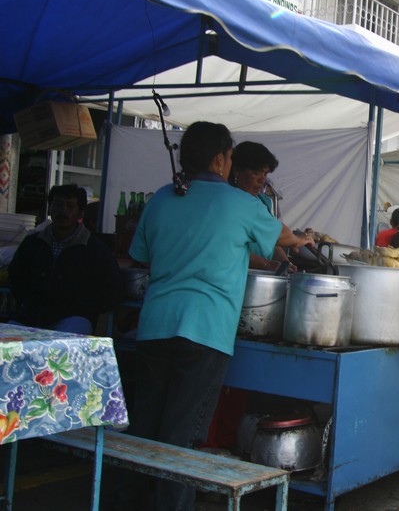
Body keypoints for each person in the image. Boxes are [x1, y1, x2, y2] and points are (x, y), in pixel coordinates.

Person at [116, 122, 312, 510]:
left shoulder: (161, 198)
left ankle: (127, 502)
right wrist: (304, 239)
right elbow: (282, 238)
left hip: (155, 325)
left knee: (145, 425)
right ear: (222, 159)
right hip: (204, 330)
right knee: (181, 432)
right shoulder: (239, 203)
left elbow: (140, 255)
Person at [9, 184, 122, 334]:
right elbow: (16, 277)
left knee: (67, 339)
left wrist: (83, 308)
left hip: (73, 318)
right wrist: (27, 302)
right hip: (31, 316)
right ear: (50, 209)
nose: (63, 211)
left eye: (70, 206)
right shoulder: (32, 243)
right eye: (58, 205)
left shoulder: (95, 249)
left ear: (80, 213)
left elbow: (111, 290)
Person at [229, 141, 298, 272]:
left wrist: (285, 263)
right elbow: (228, 249)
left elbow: (273, 243)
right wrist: (265, 264)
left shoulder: (265, 203)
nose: (262, 180)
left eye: (265, 174)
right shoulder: (228, 203)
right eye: (256, 173)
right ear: (237, 170)